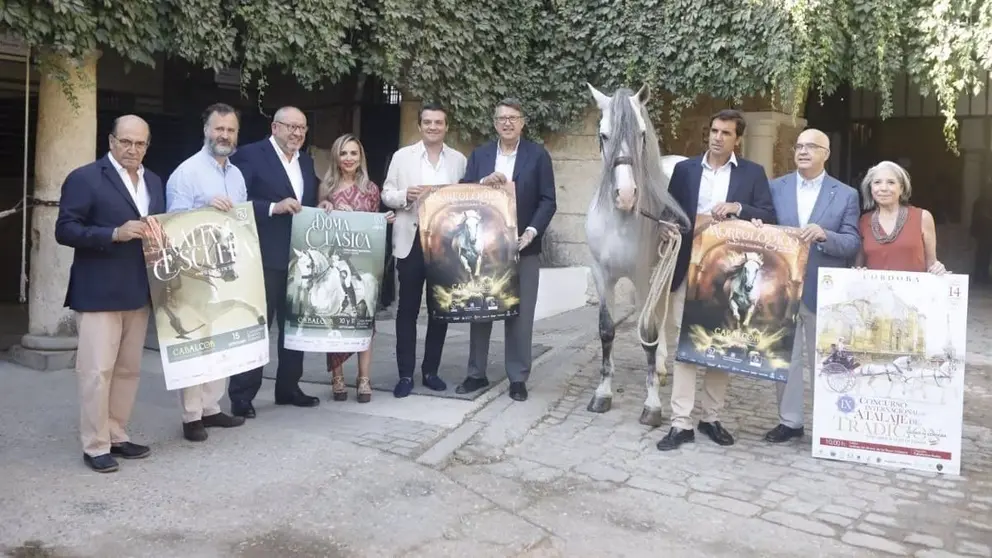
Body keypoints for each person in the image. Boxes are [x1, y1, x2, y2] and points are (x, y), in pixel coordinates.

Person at [656, 108, 777, 452]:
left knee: (721, 344)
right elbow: (669, 213)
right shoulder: (684, 170)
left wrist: (738, 208)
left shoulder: (753, 174)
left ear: (738, 139)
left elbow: (769, 214)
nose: (717, 137)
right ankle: (681, 423)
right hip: (687, 268)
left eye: (725, 132)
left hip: (730, 273)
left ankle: (711, 417)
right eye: (713, 130)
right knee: (686, 346)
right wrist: (666, 228)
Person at [55, 115, 165, 473]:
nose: (133, 149)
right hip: (99, 289)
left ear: (148, 145)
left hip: (139, 288)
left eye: (140, 143)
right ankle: (95, 444)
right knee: (96, 371)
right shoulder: (85, 178)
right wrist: (113, 233)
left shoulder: (154, 181)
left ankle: (117, 434)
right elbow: (66, 229)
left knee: (128, 370)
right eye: (126, 142)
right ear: (111, 141)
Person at [751, 128, 861, 444]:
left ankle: (829, 423)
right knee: (785, 357)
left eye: (811, 147)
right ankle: (790, 422)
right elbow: (763, 228)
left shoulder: (845, 194)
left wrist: (826, 236)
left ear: (826, 153)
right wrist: (759, 227)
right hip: (781, 287)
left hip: (823, 290)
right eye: (799, 146)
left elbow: (852, 242)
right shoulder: (775, 188)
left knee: (826, 360)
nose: (803, 151)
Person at [453, 98, 557, 402]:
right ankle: (476, 373)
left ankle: (517, 377)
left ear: (523, 122)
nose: (507, 123)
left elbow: (548, 200)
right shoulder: (481, 155)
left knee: (520, 316)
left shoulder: (538, 156)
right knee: (480, 310)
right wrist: (484, 182)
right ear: (495, 123)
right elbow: (463, 193)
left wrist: (531, 232)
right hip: (484, 249)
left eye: (513, 118)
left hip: (523, 247)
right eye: (501, 118)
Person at [227, 106, 320, 418]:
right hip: (262, 256)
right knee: (256, 328)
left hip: (299, 258)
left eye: (302, 128)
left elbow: (307, 202)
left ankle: (289, 387)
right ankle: (242, 395)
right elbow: (235, 202)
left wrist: (324, 203)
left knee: (294, 327)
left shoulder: (306, 161)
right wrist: (271, 208)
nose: (297, 133)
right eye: (291, 127)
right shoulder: (250, 155)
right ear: (275, 127)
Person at [164, 103, 249, 442]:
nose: (224, 135)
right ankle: (191, 416)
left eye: (230, 130)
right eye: (219, 129)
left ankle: (212, 408)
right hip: (194, 270)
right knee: (196, 340)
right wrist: (204, 207)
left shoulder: (237, 175)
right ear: (206, 130)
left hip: (226, 268)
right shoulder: (186, 172)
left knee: (221, 339)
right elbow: (171, 222)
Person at [381, 102, 467, 398]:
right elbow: (386, 193)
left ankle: (431, 371)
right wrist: (406, 194)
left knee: (439, 310)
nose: (433, 127)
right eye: (428, 122)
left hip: (444, 244)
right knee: (406, 310)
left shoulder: (458, 160)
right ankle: (405, 374)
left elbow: (466, 199)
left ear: (446, 127)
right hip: (410, 241)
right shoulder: (402, 157)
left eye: (438, 122)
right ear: (419, 126)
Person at [319, 134, 396, 403]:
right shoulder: (326, 187)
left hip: (363, 264)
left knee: (364, 320)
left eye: (354, 153)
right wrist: (323, 206)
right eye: (344, 153)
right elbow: (320, 224)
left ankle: (364, 378)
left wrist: (383, 220)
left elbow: (373, 225)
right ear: (336, 157)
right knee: (335, 320)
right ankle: (337, 376)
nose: (349, 158)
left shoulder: (371, 189)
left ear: (360, 157)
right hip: (335, 263)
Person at [854, 160, 946, 274]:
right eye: (877, 182)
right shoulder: (863, 221)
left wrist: (938, 269)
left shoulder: (922, 218)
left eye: (891, 182)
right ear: (871, 188)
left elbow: (932, 263)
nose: (883, 188)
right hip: (875, 291)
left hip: (913, 290)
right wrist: (859, 271)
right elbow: (858, 267)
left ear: (901, 188)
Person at [971, 188, 992, 284]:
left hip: (985, 232)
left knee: (984, 255)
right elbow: (977, 217)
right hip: (984, 232)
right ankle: (979, 277)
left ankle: (982, 276)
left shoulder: (981, 202)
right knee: (982, 255)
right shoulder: (980, 203)